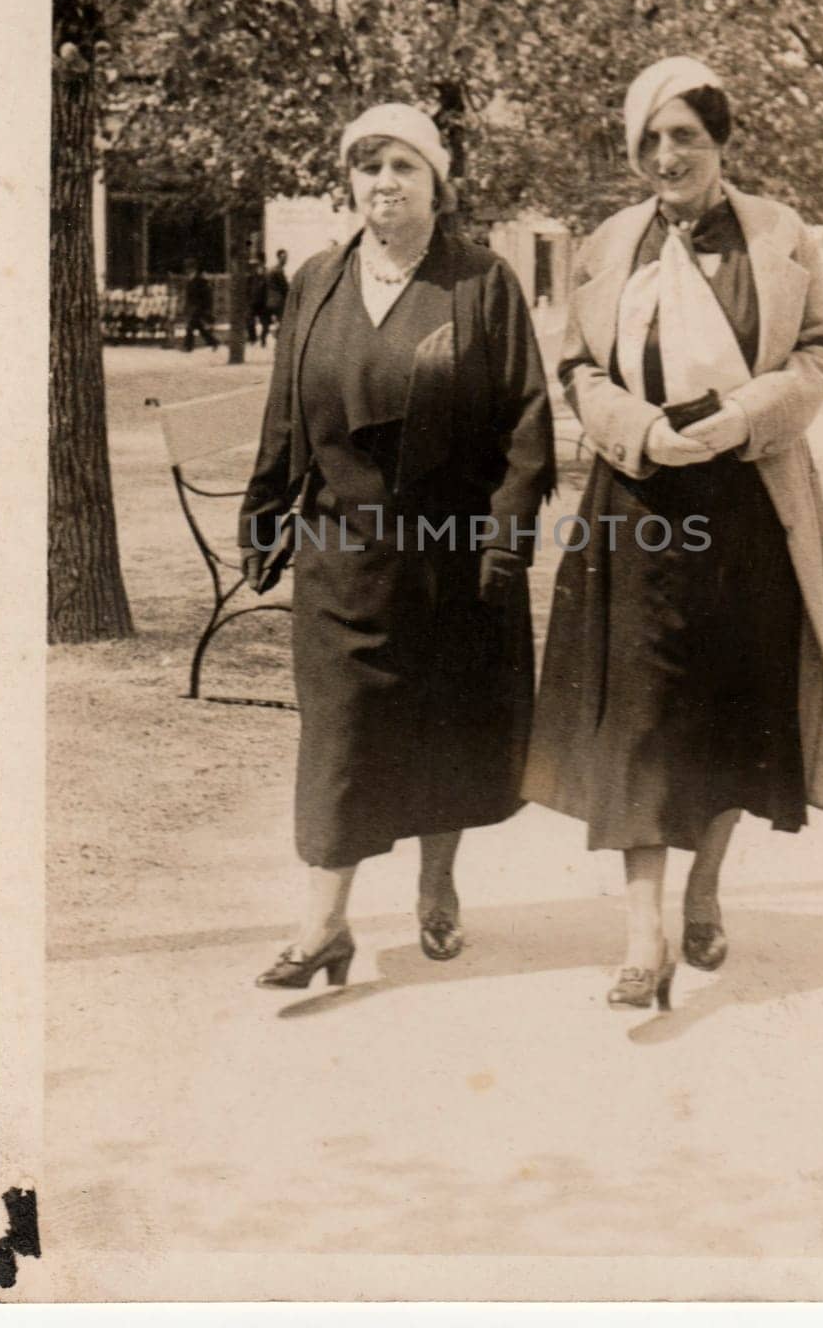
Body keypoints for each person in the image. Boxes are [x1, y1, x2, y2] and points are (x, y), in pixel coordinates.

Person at [525, 57, 823, 1010]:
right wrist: (636, 430)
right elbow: (579, 368)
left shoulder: (779, 234)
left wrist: (749, 414)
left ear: (720, 142)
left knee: (729, 708)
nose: (667, 155)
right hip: (635, 503)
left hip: (747, 501)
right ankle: (643, 938)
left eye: (687, 136)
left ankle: (705, 889)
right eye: (651, 138)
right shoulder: (609, 243)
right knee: (636, 718)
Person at [239, 103, 555, 991]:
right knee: (338, 735)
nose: (384, 184)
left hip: (448, 552)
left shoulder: (481, 281)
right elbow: (285, 411)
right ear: (350, 182)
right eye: (368, 168)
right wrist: (265, 513)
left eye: (403, 168)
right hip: (339, 547)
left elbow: (525, 423)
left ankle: (437, 879)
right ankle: (323, 924)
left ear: (435, 183)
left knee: (444, 723)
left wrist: (504, 544)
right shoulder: (316, 280)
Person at [181, 257, 219, 352]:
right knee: (199, 328)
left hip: (200, 308)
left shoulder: (200, 281)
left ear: (193, 268)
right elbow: (189, 296)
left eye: (189, 268)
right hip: (194, 308)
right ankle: (213, 342)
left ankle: (188, 347)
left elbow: (207, 296)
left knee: (190, 327)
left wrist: (207, 309)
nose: (187, 270)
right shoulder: (191, 280)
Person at [263, 249, 290, 344]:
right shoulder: (278, 270)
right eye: (284, 258)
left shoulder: (270, 270)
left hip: (269, 300)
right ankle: (280, 338)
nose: (286, 260)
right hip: (278, 300)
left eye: (286, 258)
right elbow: (284, 286)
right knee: (282, 319)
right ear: (279, 258)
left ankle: (265, 339)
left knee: (269, 321)